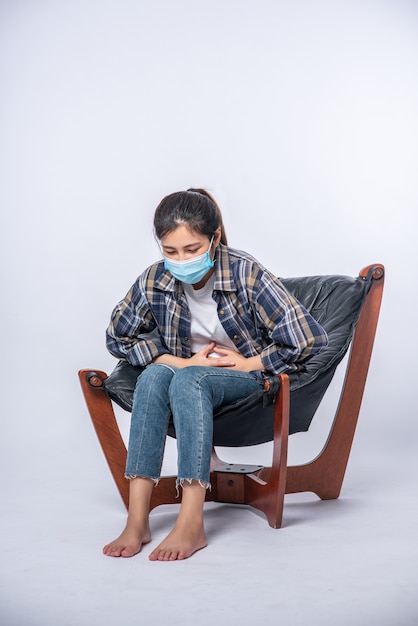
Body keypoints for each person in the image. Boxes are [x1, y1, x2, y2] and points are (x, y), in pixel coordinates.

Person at [103, 188, 328, 561]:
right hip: (187, 375)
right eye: (170, 251)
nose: (181, 260)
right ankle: (137, 517)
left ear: (215, 238)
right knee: (155, 375)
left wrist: (248, 363)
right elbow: (117, 336)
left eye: (192, 250)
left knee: (190, 379)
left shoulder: (245, 272)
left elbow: (308, 340)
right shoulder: (155, 280)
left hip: (247, 380)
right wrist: (178, 361)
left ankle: (191, 521)